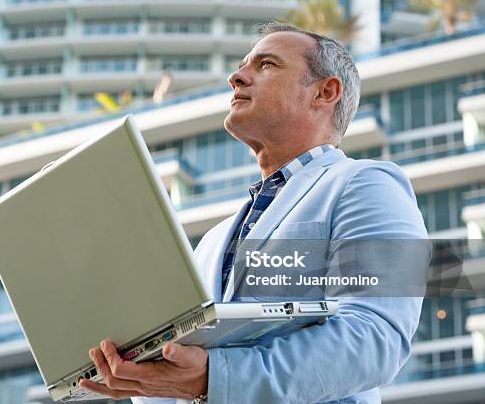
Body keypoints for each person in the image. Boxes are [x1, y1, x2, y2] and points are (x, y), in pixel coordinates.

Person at [80, 22, 429, 403]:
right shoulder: (211, 243)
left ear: (324, 92)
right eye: (243, 65)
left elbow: (376, 336)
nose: (236, 77)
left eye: (266, 64)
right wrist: (139, 376)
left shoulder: (368, 184)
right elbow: (184, 373)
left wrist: (213, 378)